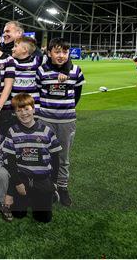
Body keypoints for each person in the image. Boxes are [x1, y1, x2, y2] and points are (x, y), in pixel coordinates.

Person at [36, 38, 85, 207]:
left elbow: (77, 94)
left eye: (65, 52)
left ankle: (63, 188)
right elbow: (37, 93)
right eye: (57, 51)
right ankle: (48, 188)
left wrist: (66, 110)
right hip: (45, 120)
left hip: (66, 121)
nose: (61, 55)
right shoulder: (41, 71)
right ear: (49, 53)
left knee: (64, 157)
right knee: (45, 156)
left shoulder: (76, 71)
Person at [3, 93, 62, 223]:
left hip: (42, 178)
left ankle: (48, 195)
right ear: (15, 113)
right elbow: (11, 161)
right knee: (18, 214)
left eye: (27, 109)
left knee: (43, 218)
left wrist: (54, 182)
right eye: (19, 110)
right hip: (22, 178)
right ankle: (28, 197)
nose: (24, 113)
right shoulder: (12, 131)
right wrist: (17, 183)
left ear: (34, 109)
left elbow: (55, 158)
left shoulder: (47, 131)